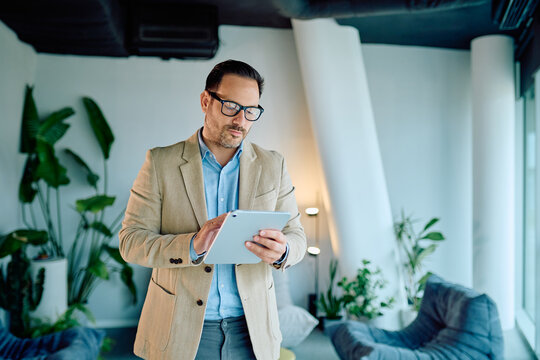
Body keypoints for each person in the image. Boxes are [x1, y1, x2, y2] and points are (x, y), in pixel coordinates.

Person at [119, 59, 307, 360]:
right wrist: (192, 245)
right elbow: (131, 242)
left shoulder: (274, 165)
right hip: (180, 329)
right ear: (206, 101)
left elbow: (297, 237)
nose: (241, 121)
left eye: (251, 111)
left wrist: (284, 250)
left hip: (253, 330)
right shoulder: (160, 163)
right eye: (231, 106)